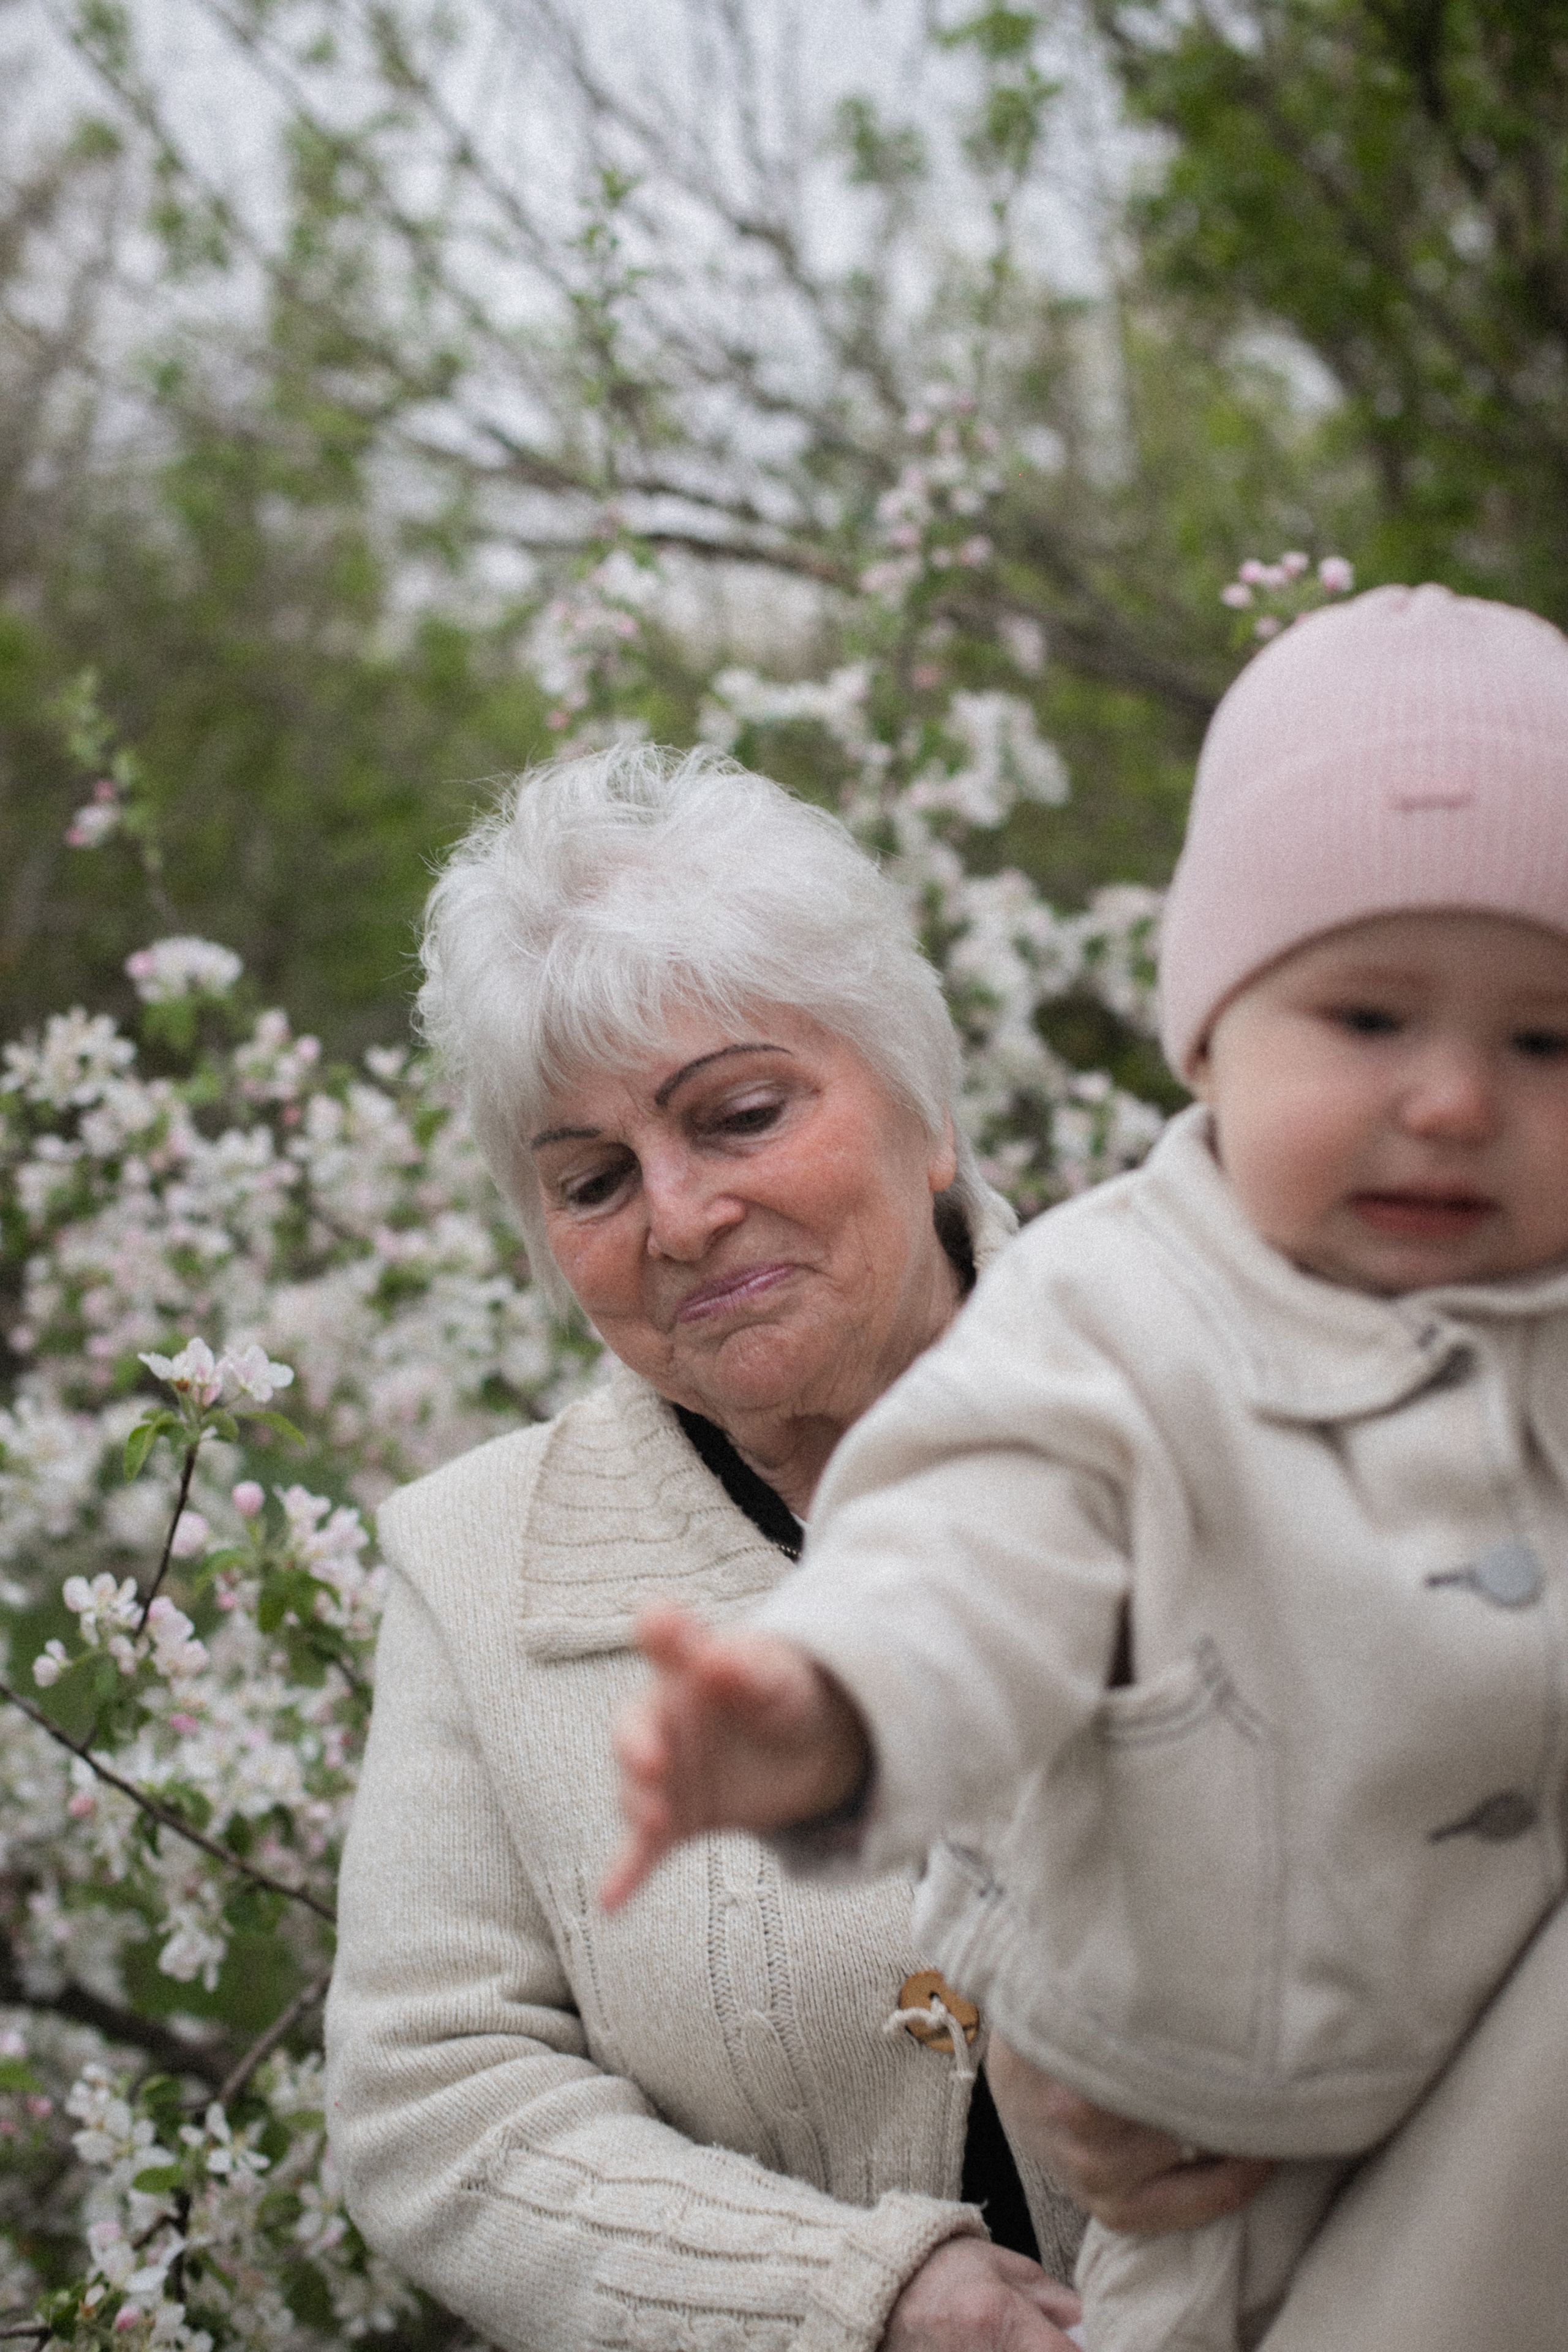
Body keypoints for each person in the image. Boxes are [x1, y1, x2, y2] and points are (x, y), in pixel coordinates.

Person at [606, 586, 1568, 2352]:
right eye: (1368, 1019)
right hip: (1233, 2197)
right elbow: (972, 1562)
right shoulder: (1118, 1319)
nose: (1451, 1101)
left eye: (1545, 1042)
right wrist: (827, 1708)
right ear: (1208, 1032)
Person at [322, 744, 1091, 2352]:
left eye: (739, 1116)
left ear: (925, 1112)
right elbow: (433, 2104)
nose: (676, 1218)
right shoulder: (474, 1565)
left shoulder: (1200, 1405)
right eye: (593, 1180)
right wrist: (855, 2299)